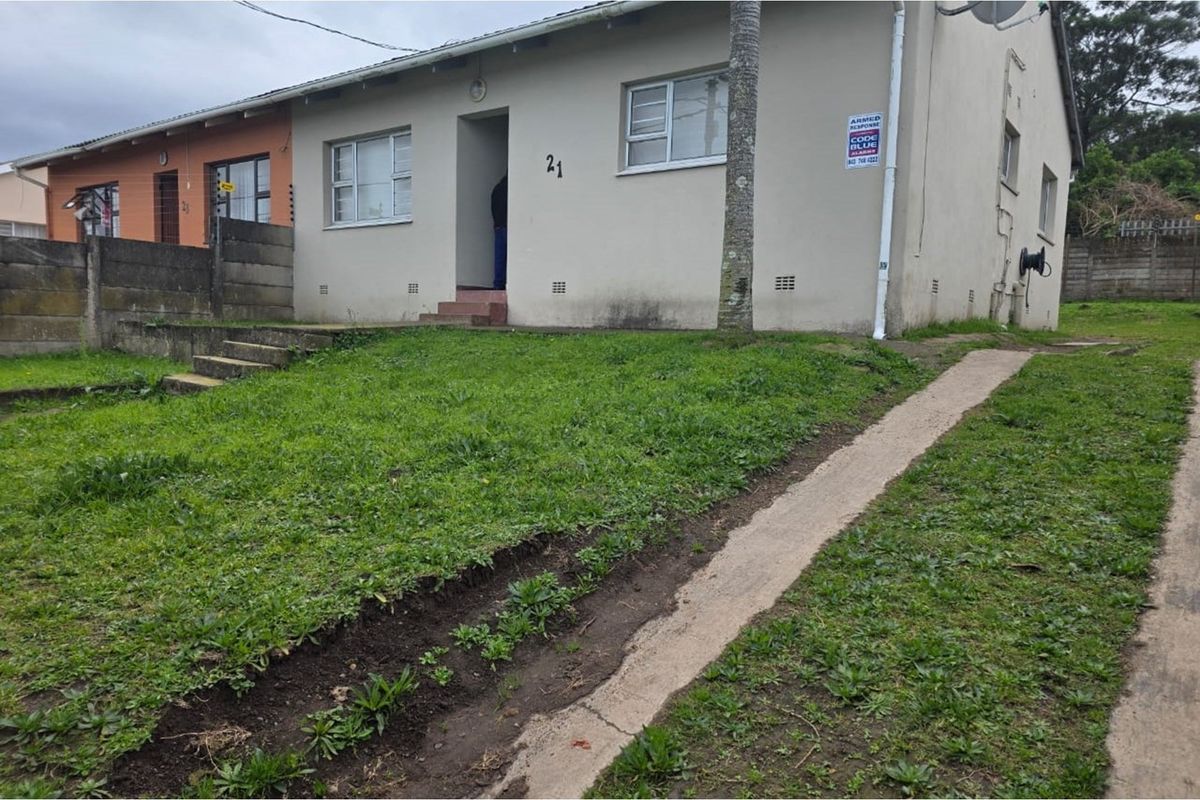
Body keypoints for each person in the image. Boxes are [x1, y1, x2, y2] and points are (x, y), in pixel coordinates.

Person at [491, 173, 508, 290]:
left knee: (500, 258)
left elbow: (493, 207)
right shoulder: (513, 189)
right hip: (508, 226)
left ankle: (498, 285)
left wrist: (496, 223)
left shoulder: (497, 188)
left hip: (499, 227)